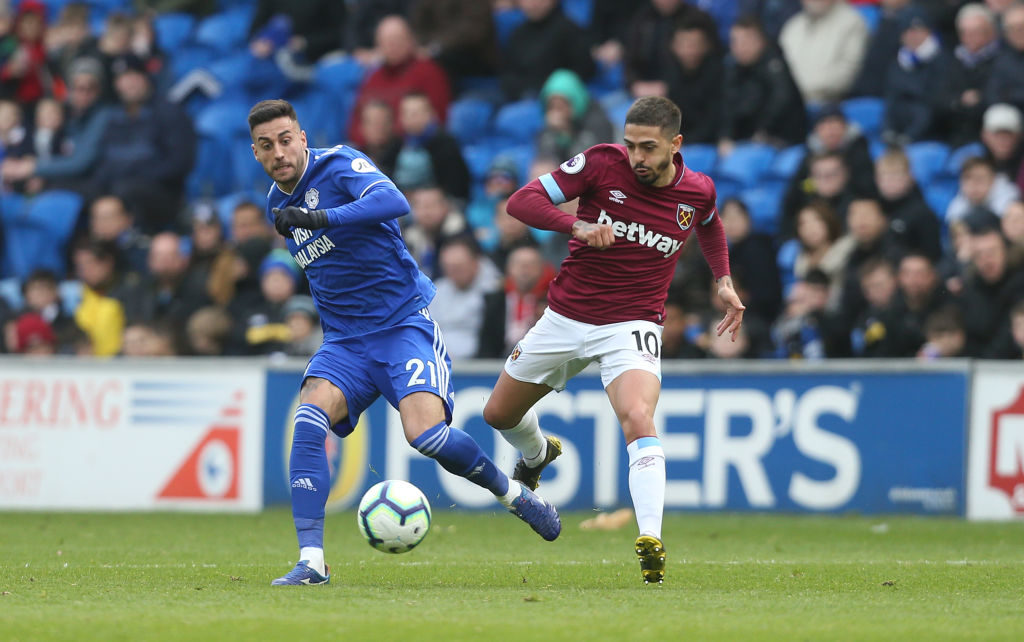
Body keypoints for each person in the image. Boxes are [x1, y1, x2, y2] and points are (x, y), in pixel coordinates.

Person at [247, 99, 561, 586]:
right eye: (267, 146)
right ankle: (312, 561)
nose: (279, 152)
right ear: (256, 153)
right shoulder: (275, 203)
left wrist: (320, 219)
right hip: (346, 343)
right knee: (308, 421)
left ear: (302, 137)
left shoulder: (340, 164)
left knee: (427, 437)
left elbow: (395, 202)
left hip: (401, 327)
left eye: (286, 139)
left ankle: (515, 496)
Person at [483, 96, 745, 584]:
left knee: (638, 416)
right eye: (631, 146)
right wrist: (576, 223)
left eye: (648, 148)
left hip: (633, 324)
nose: (637, 158)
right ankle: (539, 453)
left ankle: (651, 538)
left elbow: (709, 225)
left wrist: (723, 279)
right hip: (565, 317)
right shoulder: (603, 162)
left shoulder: (698, 191)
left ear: (676, 145)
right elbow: (521, 201)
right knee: (498, 414)